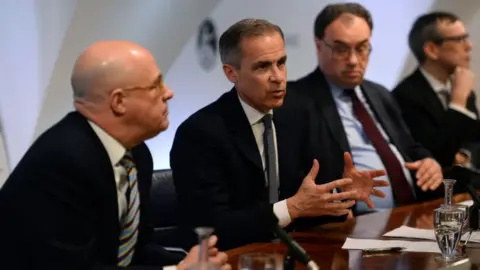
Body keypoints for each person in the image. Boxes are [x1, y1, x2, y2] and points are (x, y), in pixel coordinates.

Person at [0, 41, 230, 270]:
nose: (168, 93)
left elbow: (136, 251)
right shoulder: (62, 161)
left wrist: (193, 264)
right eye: (156, 85)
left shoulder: (136, 153)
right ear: (119, 102)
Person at [170, 18, 389, 250]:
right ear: (231, 73)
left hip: (299, 250)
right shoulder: (199, 134)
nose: (278, 77)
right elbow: (211, 227)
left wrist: (340, 194)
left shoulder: (300, 112)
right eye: (263, 67)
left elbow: (313, 204)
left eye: (281, 63)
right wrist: (291, 208)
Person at [287, 3, 444, 215]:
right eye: (341, 49)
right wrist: (338, 191)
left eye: (361, 48)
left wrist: (428, 162)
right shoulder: (295, 100)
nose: (353, 60)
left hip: (415, 213)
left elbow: (409, 147)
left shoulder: (380, 93)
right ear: (319, 46)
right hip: (352, 225)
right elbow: (293, 177)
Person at [392, 11, 480, 168]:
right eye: (459, 39)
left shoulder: (462, 88)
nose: (469, 46)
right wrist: (458, 103)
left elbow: (475, 140)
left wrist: (466, 154)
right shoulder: (404, 96)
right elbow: (435, 156)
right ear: (432, 50)